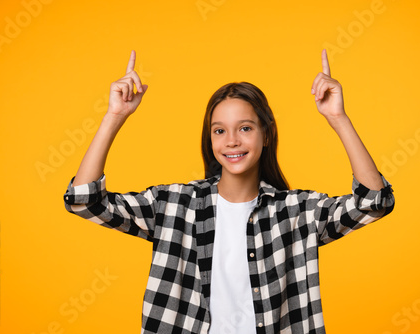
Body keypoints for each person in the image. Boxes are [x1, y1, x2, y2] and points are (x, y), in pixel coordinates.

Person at [63, 49, 395, 334]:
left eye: (245, 128)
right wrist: (114, 116)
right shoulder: (175, 205)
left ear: (265, 135)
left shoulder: (296, 212)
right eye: (219, 130)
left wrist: (338, 118)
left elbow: (375, 202)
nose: (232, 141)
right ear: (211, 139)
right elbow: (83, 200)